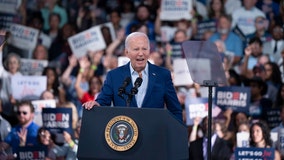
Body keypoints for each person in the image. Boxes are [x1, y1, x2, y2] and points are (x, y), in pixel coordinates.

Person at [83, 32, 182, 122]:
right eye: (136, 49)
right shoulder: (114, 76)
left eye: (144, 49)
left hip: (155, 134)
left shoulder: (162, 75)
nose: (141, 53)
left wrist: (176, 134)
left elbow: (175, 110)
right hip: (125, 135)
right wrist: (96, 104)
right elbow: (103, 101)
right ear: (127, 53)